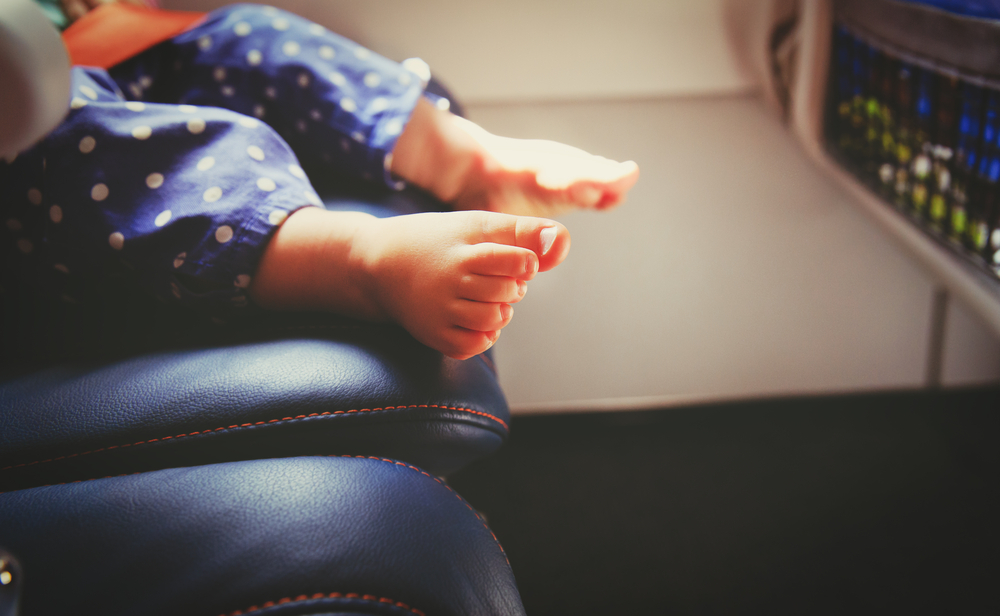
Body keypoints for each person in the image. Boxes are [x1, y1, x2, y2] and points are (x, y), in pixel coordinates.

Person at [1, 3, 639, 360]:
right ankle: (352, 259)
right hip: (20, 114)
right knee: (87, 144)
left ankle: (465, 162)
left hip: (99, 40)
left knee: (248, 38)